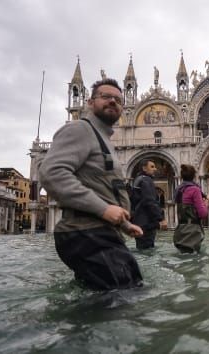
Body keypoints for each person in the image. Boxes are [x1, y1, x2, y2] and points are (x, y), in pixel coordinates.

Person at [39, 78, 145, 291]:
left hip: (99, 233)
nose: (113, 102)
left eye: (118, 99)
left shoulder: (102, 138)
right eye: (106, 97)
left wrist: (124, 224)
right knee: (119, 302)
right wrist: (104, 209)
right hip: (87, 234)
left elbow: (104, 187)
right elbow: (51, 173)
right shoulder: (80, 129)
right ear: (89, 102)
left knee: (126, 292)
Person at [131, 159, 166, 249]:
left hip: (139, 222)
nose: (155, 169)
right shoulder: (146, 180)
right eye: (152, 166)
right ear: (144, 168)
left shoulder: (138, 179)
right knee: (148, 251)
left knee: (142, 250)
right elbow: (150, 201)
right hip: (146, 223)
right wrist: (160, 218)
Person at [173, 165, 209, 253]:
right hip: (192, 232)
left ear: (181, 177)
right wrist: (207, 203)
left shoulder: (178, 190)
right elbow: (203, 214)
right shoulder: (195, 190)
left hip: (180, 231)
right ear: (194, 176)